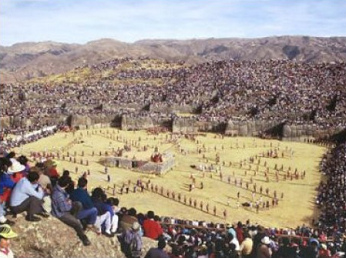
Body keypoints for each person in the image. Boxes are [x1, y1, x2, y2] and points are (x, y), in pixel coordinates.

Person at [51, 176, 91, 246]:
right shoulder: (59, 194)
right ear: (67, 185)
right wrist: (69, 204)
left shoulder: (58, 189)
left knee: (78, 204)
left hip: (63, 207)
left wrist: (67, 200)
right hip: (60, 214)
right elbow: (64, 209)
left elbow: (65, 198)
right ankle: (83, 237)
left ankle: (73, 218)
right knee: (77, 223)